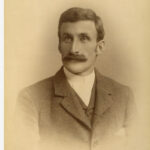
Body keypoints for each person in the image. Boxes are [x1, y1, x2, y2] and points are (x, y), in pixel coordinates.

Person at [14, 7, 137, 150]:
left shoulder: (124, 96)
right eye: (67, 38)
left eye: (83, 38)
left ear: (100, 47)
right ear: (59, 45)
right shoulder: (31, 98)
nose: (74, 49)